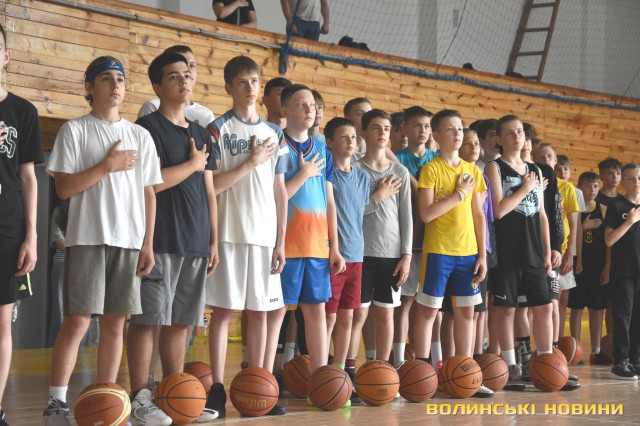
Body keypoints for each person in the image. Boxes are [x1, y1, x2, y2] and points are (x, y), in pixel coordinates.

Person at [44, 56, 161, 425]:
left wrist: (148, 243)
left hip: (129, 242)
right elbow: (64, 189)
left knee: (114, 324)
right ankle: (56, 402)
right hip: (87, 239)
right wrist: (107, 166)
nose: (115, 85)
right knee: (77, 321)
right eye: (106, 78)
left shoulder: (140, 136)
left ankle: (107, 398)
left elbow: (149, 194)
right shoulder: (74, 130)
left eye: (120, 79)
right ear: (89, 87)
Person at [127, 52, 219, 424]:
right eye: (173, 76)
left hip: (196, 241)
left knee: (181, 321)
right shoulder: (146, 128)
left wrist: (214, 240)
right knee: (148, 319)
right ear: (157, 86)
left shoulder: (202, 133)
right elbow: (149, 184)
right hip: (160, 239)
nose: (184, 81)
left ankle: (173, 394)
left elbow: (210, 191)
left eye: (187, 74)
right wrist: (192, 164)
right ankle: (140, 396)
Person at [204, 56, 291, 418]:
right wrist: (250, 163)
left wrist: (281, 241)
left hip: (264, 237)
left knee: (260, 312)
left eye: (255, 81)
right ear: (229, 87)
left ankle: (259, 388)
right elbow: (212, 186)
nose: (251, 87)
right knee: (224, 312)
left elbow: (280, 191)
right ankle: (217, 390)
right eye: (242, 82)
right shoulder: (216, 129)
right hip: (228, 234)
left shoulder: (275, 133)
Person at [413, 110, 490, 397]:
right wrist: (458, 194)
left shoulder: (474, 171)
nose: (457, 134)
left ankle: (465, 374)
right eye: (450, 129)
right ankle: (422, 374)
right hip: (439, 252)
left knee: (466, 314)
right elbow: (426, 214)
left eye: (460, 129)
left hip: (468, 254)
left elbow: (479, 216)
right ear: (436, 135)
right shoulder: (431, 170)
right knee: (428, 312)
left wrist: (482, 255)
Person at [324, 116, 399, 400]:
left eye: (353, 137)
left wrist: (377, 196)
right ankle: (325, 373)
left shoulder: (362, 176)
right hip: (334, 255)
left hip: (358, 254)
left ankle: (341, 374)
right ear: (330, 142)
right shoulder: (327, 174)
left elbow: (360, 210)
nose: (351, 142)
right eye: (344, 137)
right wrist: (332, 247)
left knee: (348, 316)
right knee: (329, 317)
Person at [280, 84, 345, 382]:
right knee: (277, 312)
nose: (310, 110)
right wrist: (303, 173)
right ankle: (267, 377)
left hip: (318, 245)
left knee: (316, 312)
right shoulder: (276, 143)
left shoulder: (322, 150)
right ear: (285, 111)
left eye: (313, 106)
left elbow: (330, 202)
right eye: (301, 105)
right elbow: (276, 197)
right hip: (285, 245)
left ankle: (321, 379)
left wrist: (335, 246)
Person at [485, 115, 553, 391]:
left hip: (534, 250)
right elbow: (498, 210)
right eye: (510, 133)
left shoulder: (534, 168)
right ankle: (511, 366)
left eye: (520, 132)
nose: (517, 137)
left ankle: (546, 362)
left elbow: (542, 214)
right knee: (505, 310)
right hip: (507, 251)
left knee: (544, 307)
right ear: (500, 139)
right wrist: (525, 188)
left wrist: (547, 251)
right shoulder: (494, 167)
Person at [0, 23, 44, 425]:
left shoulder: (23, 111)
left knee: (2, 322)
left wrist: (31, 233)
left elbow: (29, 177)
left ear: (6, 56)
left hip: (8, 227)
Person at [353, 109, 412, 364]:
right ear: (364, 133)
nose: (382, 133)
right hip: (360, 253)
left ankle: (383, 368)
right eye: (376, 128)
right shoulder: (354, 169)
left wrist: (406, 255)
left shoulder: (400, 171)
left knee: (386, 315)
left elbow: (406, 216)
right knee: (359, 314)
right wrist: (378, 196)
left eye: (386, 128)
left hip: (391, 254)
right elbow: (350, 213)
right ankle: (356, 366)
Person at [393, 106, 436, 368]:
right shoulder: (396, 160)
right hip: (407, 240)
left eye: (427, 126)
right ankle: (399, 360)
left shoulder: (439, 159)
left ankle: (432, 360)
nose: (423, 130)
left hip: (436, 240)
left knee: (432, 305)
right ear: (405, 129)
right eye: (417, 125)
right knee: (405, 302)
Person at [534, 143, 580, 344]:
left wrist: (569, 252)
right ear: (535, 160)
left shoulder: (566, 188)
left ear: (555, 160)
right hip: (535, 250)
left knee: (557, 302)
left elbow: (573, 223)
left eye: (549, 157)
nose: (545, 160)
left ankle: (555, 346)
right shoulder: (532, 181)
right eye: (541, 157)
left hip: (558, 252)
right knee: (535, 303)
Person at [569, 172, 612, 365]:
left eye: (595, 186)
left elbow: (608, 242)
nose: (592, 190)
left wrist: (607, 267)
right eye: (587, 186)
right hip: (579, 266)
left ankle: (596, 351)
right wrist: (583, 227)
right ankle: (575, 351)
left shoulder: (603, 209)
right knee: (577, 308)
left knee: (597, 309)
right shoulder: (575, 208)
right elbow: (571, 233)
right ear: (580, 187)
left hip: (598, 267)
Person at [604, 162, 640, 380]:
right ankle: (620, 362)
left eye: (639, 178)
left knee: (638, 317)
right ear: (623, 182)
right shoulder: (617, 206)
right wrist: (630, 221)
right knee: (623, 316)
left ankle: (636, 360)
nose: (636, 182)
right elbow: (609, 240)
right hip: (623, 271)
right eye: (631, 178)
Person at [138, 45, 214, 128]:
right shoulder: (152, 107)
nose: (187, 71)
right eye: (174, 76)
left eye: (192, 65)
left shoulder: (206, 115)